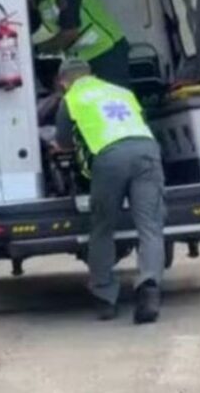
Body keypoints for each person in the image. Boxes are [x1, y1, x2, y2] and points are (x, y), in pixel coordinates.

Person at [54, 58, 166, 323]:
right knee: (150, 226)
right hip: (147, 151)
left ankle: (105, 297)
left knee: (103, 226)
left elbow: (64, 143)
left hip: (110, 159)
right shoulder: (122, 92)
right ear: (91, 74)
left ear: (63, 82)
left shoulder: (71, 99)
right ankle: (150, 287)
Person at [25, 0, 131, 88]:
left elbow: (69, 34)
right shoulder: (41, 4)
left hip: (107, 50)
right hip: (83, 56)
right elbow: (51, 32)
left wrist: (36, 50)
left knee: (115, 100)